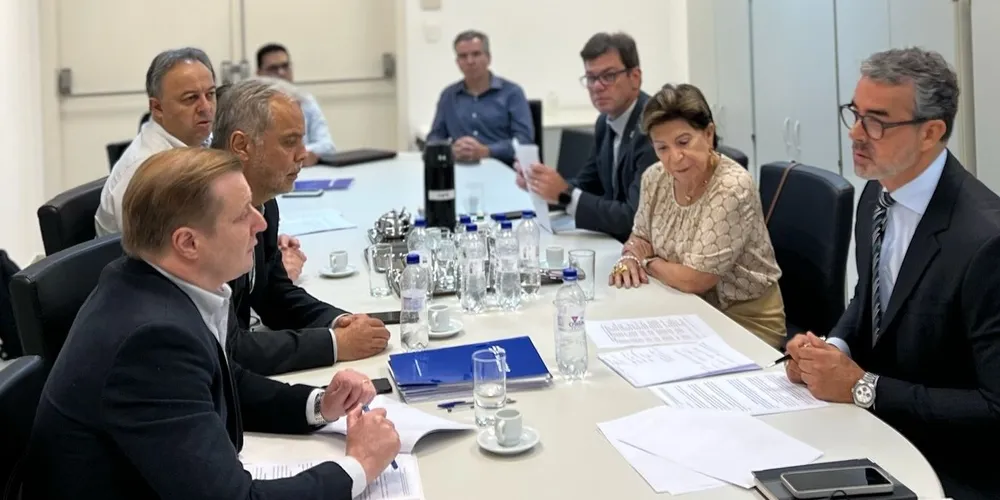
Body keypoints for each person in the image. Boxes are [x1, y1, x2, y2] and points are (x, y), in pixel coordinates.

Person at [24, 147, 401, 499]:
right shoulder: (153, 339)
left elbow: (223, 382)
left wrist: (320, 404)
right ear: (188, 243)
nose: (259, 223)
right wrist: (359, 466)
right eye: (242, 214)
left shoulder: (150, 282)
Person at [784, 48, 1000, 499]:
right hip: (875, 433)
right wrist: (829, 350)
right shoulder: (877, 195)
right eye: (855, 114)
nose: (856, 134)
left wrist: (864, 387)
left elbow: (995, 406)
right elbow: (871, 297)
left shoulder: (985, 241)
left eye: (877, 121)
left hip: (952, 467)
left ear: (931, 132)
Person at [211, 79, 391, 376]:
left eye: (302, 140)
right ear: (241, 146)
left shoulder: (263, 200)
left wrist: (338, 322)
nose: (303, 154)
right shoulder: (208, 217)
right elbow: (228, 348)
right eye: (289, 141)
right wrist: (333, 344)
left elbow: (273, 293)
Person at [610, 83, 786, 347]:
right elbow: (639, 236)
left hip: (744, 321)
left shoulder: (731, 187)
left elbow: (695, 279)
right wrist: (629, 257)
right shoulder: (654, 178)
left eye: (683, 142)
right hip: (683, 309)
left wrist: (648, 262)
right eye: (662, 148)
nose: (675, 158)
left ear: (709, 134)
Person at [518, 32, 657, 242]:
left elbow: (634, 217)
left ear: (635, 78)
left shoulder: (653, 126)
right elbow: (588, 184)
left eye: (609, 76)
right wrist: (541, 185)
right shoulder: (605, 122)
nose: (597, 86)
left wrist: (565, 194)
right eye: (591, 78)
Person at [95, 47, 216, 236]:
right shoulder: (144, 172)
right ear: (157, 108)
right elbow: (160, 256)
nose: (206, 107)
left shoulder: (201, 141)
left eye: (210, 94)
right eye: (191, 98)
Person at [426, 30, 534, 166]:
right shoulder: (448, 96)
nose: (470, 61)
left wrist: (487, 151)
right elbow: (435, 138)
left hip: (502, 169)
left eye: (476, 54)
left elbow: (524, 141)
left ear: (488, 58)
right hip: (460, 169)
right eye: (463, 56)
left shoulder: (512, 93)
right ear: (457, 62)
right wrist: (451, 150)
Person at [257, 43, 336, 166]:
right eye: (273, 68)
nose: (281, 73)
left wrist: (304, 153)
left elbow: (328, 145)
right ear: (259, 73)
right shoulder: (251, 107)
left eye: (285, 66)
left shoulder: (306, 100)